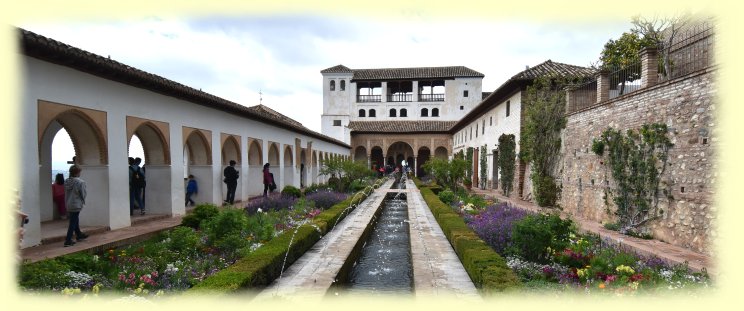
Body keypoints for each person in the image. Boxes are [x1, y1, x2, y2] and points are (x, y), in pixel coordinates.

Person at [64, 165, 88, 247]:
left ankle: (79, 234)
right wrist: (83, 201)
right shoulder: (80, 182)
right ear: (78, 172)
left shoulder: (67, 181)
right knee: (73, 222)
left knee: (75, 219)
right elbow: (83, 193)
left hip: (68, 203)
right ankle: (68, 240)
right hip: (76, 203)